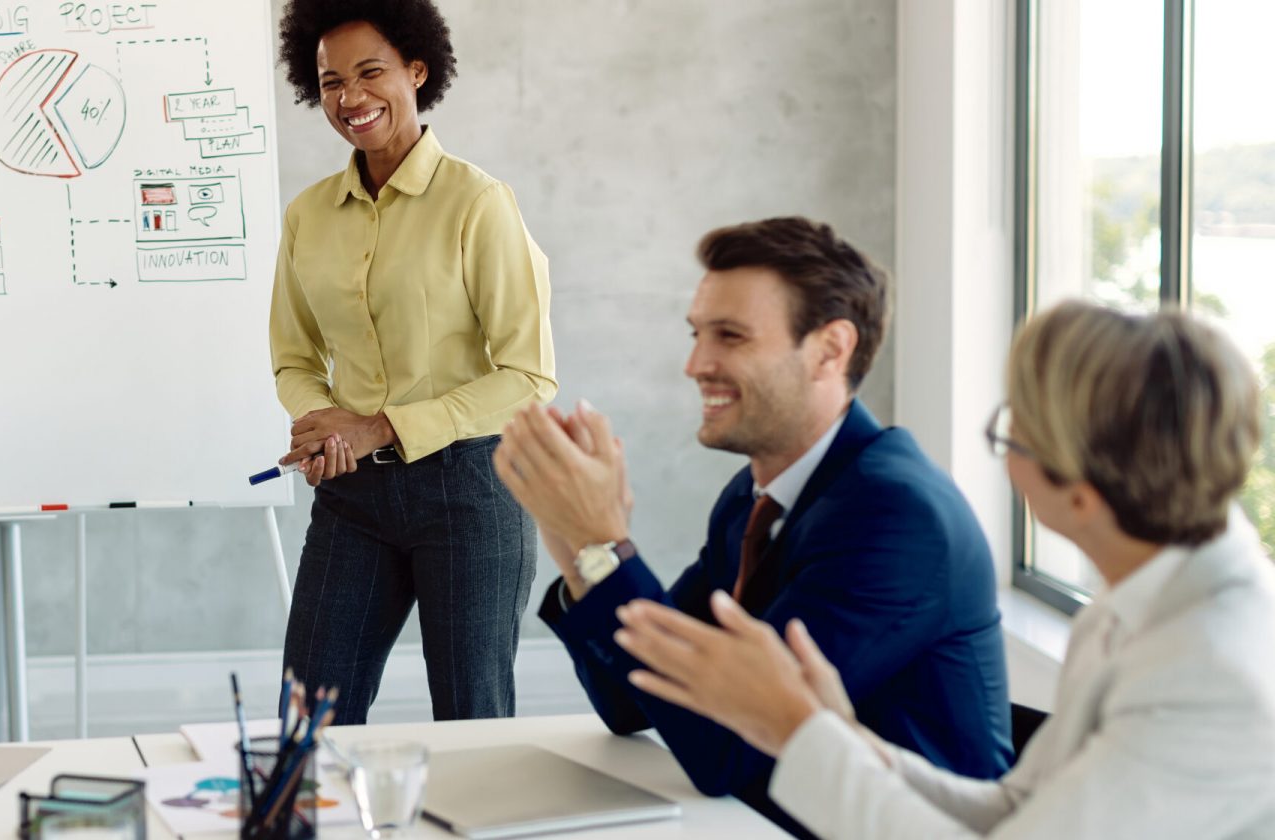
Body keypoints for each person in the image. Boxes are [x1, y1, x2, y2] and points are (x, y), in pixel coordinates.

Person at [616, 301, 1275, 838]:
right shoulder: (1136, 604)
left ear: (1082, 496)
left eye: (1013, 433)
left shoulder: (1211, 670)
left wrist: (796, 730)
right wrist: (835, 734)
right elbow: (1016, 809)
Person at [494, 217, 1011, 836]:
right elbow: (630, 703)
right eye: (697, 334)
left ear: (830, 349)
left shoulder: (896, 517)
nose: (695, 364)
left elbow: (731, 752)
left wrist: (603, 543)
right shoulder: (753, 495)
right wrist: (580, 550)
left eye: (730, 336)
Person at [269, 0, 557, 725]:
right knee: (309, 721)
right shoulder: (308, 215)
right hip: (352, 498)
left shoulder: (477, 202)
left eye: (371, 73)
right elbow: (294, 355)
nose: (350, 98)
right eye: (331, 81)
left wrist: (381, 427)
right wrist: (325, 423)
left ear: (417, 70)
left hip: (469, 492)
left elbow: (528, 377)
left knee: (471, 719)